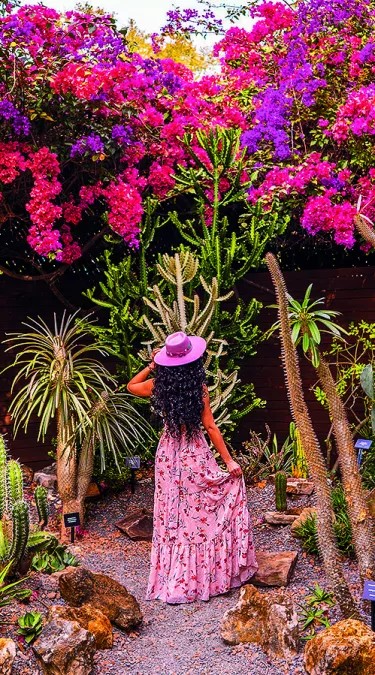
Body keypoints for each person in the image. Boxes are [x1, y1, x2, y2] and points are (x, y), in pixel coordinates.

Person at [127, 331, 257, 604]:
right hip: (193, 452)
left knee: (171, 511)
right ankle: (202, 576)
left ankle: (173, 575)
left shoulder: (157, 386)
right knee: (199, 509)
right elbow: (210, 427)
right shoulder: (199, 389)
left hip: (168, 455)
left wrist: (152, 366)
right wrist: (229, 461)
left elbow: (131, 386)